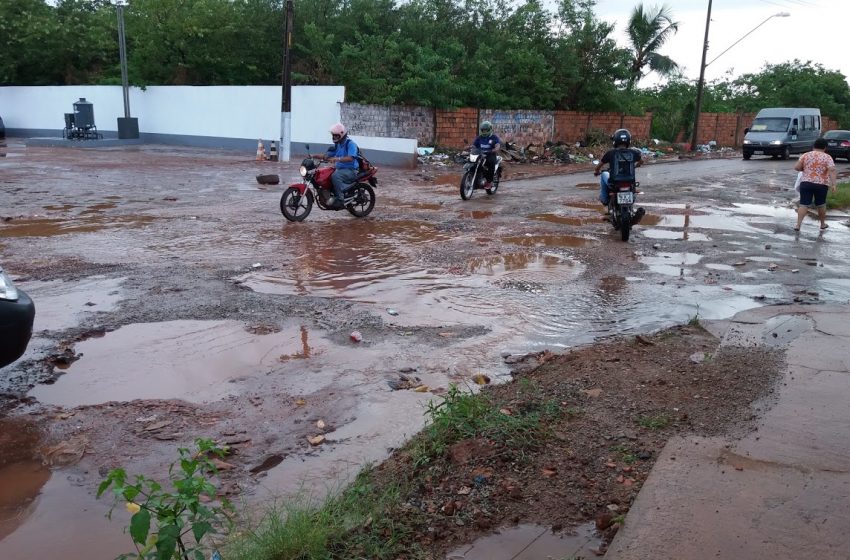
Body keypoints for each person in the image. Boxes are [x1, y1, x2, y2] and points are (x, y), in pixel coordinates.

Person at [311, 122, 359, 209]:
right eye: (333, 135)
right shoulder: (337, 145)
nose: (334, 137)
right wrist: (313, 156)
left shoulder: (351, 144)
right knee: (325, 173)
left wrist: (337, 159)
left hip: (351, 170)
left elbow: (351, 158)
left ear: (342, 134)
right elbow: (326, 156)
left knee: (335, 176)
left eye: (336, 135)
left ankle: (340, 200)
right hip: (340, 169)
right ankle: (329, 195)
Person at [793, 137, 836, 231]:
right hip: (821, 184)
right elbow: (832, 170)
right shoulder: (827, 157)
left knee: (803, 204)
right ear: (825, 147)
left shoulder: (805, 155)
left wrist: (805, 169)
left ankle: (798, 225)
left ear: (813, 146)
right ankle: (822, 224)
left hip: (806, 182)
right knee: (821, 204)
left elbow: (796, 167)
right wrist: (834, 184)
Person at [594, 128, 643, 208]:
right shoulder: (633, 153)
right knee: (633, 189)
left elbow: (600, 165)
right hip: (630, 182)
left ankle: (605, 199)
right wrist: (636, 166)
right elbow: (641, 161)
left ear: (615, 140)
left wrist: (596, 171)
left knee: (603, 174)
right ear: (628, 141)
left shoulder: (611, 153)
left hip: (615, 182)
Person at [471, 121, 501, 188]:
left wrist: (495, 149)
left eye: (486, 130)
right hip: (481, 155)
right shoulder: (479, 137)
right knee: (473, 163)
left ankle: (489, 182)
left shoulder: (494, 137)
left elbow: (497, 145)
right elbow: (474, 145)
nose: (484, 131)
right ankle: (473, 177)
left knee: (491, 164)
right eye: (483, 130)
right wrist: (470, 148)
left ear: (490, 129)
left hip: (490, 154)